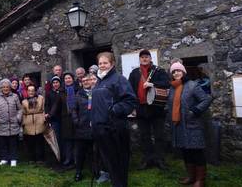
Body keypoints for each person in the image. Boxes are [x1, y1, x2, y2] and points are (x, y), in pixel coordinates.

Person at [91, 52, 137, 187]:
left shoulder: (119, 79)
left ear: (112, 64)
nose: (102, 65)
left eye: (105, 63)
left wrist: (114, 110)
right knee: (110, 163)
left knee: (118, 163)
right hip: (101, 129)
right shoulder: (99, 81)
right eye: (100, 63)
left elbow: (130, 101)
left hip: (114, 128)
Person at [168, 62, 211, 187]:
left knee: (196, 152)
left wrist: (194, 111)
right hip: (179, 126)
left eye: (178, 70)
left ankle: (200, 180)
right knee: (186, 152)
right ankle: (191, 177)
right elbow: (171, 104)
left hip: (192, 125)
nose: (176, 73)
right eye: (174, 71)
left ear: (184, 72)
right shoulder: (172, 87)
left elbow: (206, 99)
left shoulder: (193, 85)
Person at [128, 49, 170, 170]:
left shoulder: (158, 71)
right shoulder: (134, 73)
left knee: (159, 136)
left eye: (147, 56)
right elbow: (130, 91)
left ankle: (160, 159)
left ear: (150, 58)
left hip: (157, 108)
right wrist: (132, 107)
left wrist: (153, 84)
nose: (144, 59)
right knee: (144, 136)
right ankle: (148, 159)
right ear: (140, 59)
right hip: (141, 108)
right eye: (142, 57)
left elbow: (167, 83)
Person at [0, 79, 22, 167]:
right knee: (3, 143)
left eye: (7, 87)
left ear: (10, 87)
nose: (5, 88)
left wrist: (18, 117)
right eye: (3, 87)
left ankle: (13, 159)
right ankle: (4, 158)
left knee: (13, 143)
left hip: (13, 124)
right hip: (1, 124)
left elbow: (20, 109)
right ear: (1, 88)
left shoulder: (15, 96)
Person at [72, 74, 93, 182]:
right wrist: (77, 121)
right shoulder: (78, 94)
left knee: (93, 152)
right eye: (83, 80)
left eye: (87, 80)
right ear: (81, 83)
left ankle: (95, 171)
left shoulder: (96, 92)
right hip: (81, 128)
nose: (85, 82)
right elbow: (74, 109)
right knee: (80, 152)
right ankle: (78, 172)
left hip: (94, 127)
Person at [22, 85, 46, 164]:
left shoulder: (41, 98)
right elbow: (23, 112)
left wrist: (43, 119)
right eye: (29, 90)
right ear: (27, 92)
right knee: (30, 142)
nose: (31, 92)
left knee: (39, 141)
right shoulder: (24, 101)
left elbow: (43, 109)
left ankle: (40, 159)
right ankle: (31, 158)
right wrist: (24, 122)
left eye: (32, 90)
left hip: (39, 121)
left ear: (35, 91)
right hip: (28, 122)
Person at [61, 71, 77, 167]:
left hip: (76, 117)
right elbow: (57, 104)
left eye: (69, 78)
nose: (68, 80)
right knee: (67, 140)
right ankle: (68, 158)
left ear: (72, 79)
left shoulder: (77, 89)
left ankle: (76, 159)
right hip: (65, 118)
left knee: (76, 139)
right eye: (66, 78)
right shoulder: (62, 91)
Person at [45, 75, 64, 144]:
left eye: (57, 82)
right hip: (54, 118)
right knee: (56, 138)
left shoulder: (63, 92)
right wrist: (47, 113)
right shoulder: (49, 93)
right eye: (54, 83)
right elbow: (47, 105)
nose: (55, 84)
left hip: (63, 118)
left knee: (63, 138)